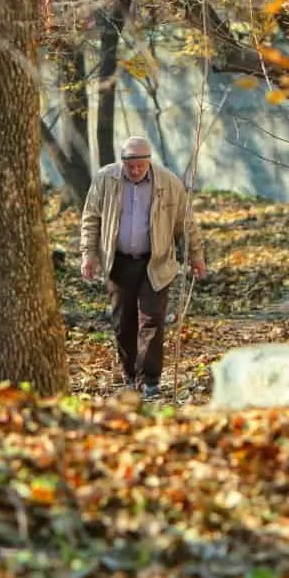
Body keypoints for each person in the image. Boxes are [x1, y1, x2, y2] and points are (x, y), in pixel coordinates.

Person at [79, 136, 206, 399]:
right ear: (122, 161)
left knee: (152, 321)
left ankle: (149, 380)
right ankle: (129, 376)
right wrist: (88, 254)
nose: (135, 170)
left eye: (141, 165)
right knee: (122, 322)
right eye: (130, 166)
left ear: (149, 161)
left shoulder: (169, 183)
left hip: (156, 261)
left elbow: (185, 223)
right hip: (118, 261)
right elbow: (91, 218)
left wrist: (195, 256)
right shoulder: (106, 179)